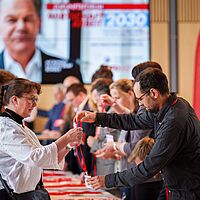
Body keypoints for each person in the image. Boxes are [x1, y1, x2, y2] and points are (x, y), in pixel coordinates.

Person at [75, 65, 200, 200]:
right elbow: (133, 120)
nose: (139, 104)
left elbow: (149, 167)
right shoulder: (168, 105)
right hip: (175, 185)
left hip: (188, 190)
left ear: (153, 93)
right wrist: (97, 117)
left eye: (140, 99)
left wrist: (107, 180)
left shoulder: (174, 121)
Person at [0, 78, 83, 199]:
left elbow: (45, 160)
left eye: (35, 99)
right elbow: (35, 157)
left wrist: (69, 145)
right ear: (14, 100)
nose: (34, 104)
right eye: (31, 99)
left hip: (30, 193)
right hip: (12, 195)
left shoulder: (22, 127)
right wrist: (65, 138)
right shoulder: (5, 127)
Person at [0, 0, 82, 84]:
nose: (21, 27)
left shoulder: (69, 71)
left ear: (39, 23)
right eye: (11, 20)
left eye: (28, 19)